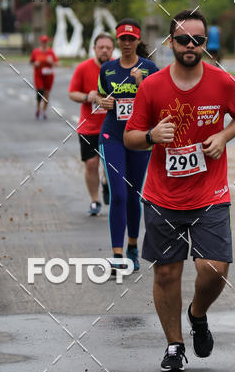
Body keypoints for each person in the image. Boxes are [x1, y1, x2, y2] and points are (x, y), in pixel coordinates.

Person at [124, 9, 235, 372]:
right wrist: (152, 136)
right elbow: (130, 137)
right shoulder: (152, 87)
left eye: (198, 40)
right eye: (183, 40)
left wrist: (223, 136)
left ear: (205, 44)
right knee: (166, 274)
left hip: (210, 194)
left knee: (215, 268)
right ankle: (174, 345)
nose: (191, 46)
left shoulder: (222, 81)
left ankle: (197, 313)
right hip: (162, 196)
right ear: (171, 43)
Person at [97, 19, 158, 273]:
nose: (126, 43)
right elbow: (100, 95)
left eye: (131, 39)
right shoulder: (108, 69)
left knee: (134, 194)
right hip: (112, 136)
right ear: (117, 40)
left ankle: (132, 246)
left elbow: (157, 103)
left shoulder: (150, 68)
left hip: (139, 137)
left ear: (138, 40)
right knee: (119, 194)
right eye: (123, 39)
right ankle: (117, 254)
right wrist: (102, 102)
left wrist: (141, 84)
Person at [68, 32, 115, 216]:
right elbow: (72, 93)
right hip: (89, 127)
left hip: (113, 126)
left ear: (113, 49)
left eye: (108, 47)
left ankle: (106, 182)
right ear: (94, 48)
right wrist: (88, 97)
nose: (104, 50)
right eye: (101, 47)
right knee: (91, 164)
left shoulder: (118, 67)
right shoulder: (83, 68)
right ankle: (95, 200)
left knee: (111, 164)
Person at [30, 34, 58, 119]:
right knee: (40, 91)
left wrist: (51, 62)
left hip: (49, 76)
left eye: (45, 42)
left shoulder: (51, 52)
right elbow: (31, 62)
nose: (44, 43)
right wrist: (35, 64)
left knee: (46, 94)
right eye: (43, 42)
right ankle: (38, 107)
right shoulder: (36, 52)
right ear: (40, 42)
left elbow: (56, 63)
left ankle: (44, 111)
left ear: (47, 42)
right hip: (38, 75)